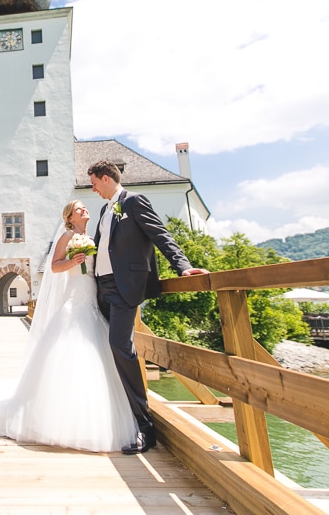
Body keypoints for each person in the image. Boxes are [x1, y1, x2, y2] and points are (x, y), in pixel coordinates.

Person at [0, 200, 137, 452]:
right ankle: (56, 420)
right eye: (79, 209)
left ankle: (85, 413)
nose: (84, 210)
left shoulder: (91, 236)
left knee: (95, 352)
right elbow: (55, 266)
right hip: (74, 299)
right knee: (71, 352)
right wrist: (72, 261)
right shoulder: (68, 235)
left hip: (92, 298)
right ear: (69, 217)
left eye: (84, 208)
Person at [88, 159, 210, 454]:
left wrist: (183, 266)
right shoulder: (105, 210)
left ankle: (145, 427)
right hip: (101, 288)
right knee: (104, 348)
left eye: (93, 184)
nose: (93, 190)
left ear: (106, 178)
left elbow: (161, 235)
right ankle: (118, 416)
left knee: (120, 345)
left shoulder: (133, 202)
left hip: (124, 287)